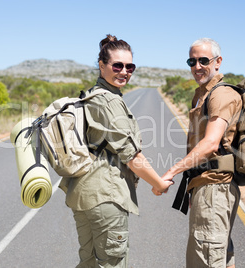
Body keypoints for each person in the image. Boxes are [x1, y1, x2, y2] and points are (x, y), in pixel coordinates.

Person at [58, 34, 173, 268]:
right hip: (106, 196)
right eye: (117, 65)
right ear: (102, 65)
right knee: (112, 263)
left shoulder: (91, 96)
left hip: (83, 195)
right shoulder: (109, 102)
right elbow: (131, 156)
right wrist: (158, 183)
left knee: (89, 262)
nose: (124, 71)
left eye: (130, 66)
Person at [160, 38, 242, 268]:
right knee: (219, 255)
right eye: (192, 61)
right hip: (206, 187)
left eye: (203, 60)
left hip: (214, 189)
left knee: (206, 259)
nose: (197, 67)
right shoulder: (203, 94)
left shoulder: (220, 95)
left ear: (218, 62)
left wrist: (172, 171)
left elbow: (210, 144)